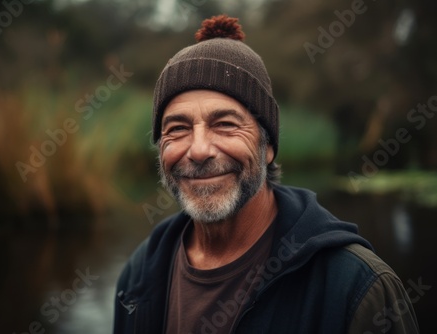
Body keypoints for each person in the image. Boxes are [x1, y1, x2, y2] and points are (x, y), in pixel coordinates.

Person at [113, 14, 419, 334]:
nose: (199, 149)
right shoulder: (138, 274)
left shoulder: (356, 288)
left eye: (226, 124)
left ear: (268, 146)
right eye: (177, 129)